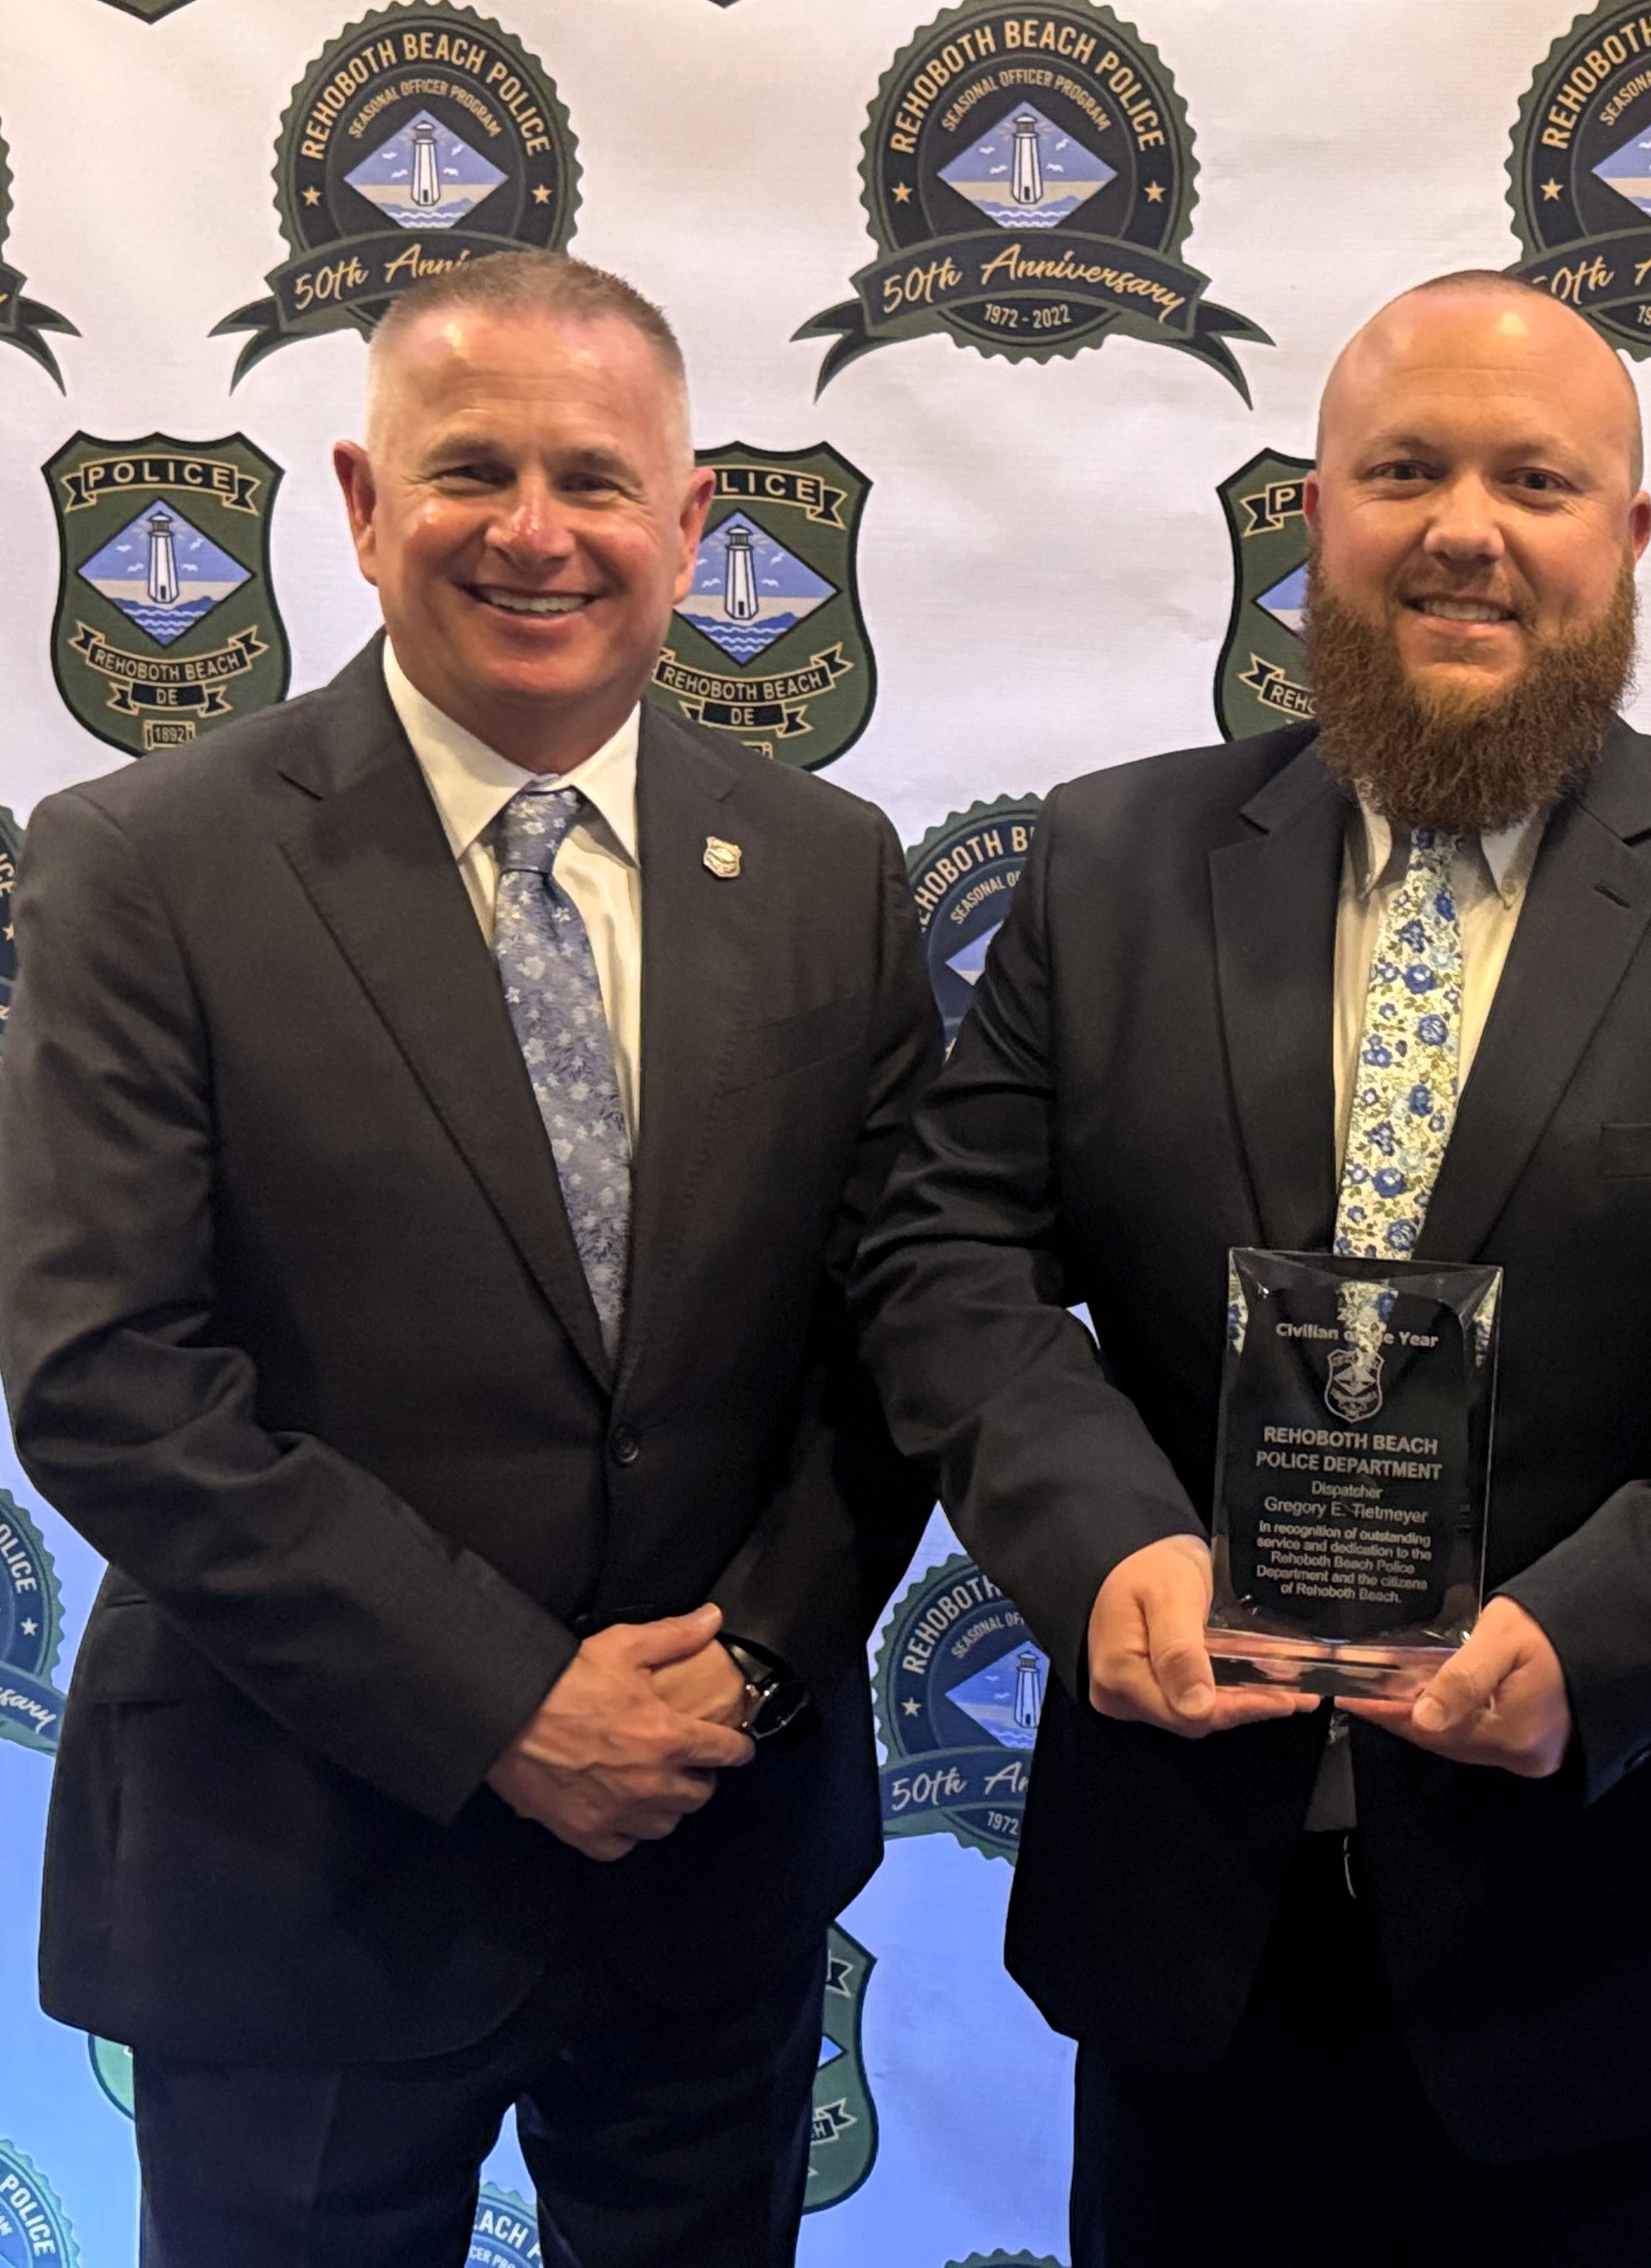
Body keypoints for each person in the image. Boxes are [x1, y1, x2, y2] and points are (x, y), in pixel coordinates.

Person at [852, 270, 1651, 2266]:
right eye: (1402, 469)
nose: (1462, 528)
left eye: (1534, 479)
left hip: (1644, 1947)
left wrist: (1605, 1633)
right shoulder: (1109, 864)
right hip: (1195, 1946)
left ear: (1628, 538)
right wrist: (1101, 1547)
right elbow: (944, 1247)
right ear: (1311, 514)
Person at [0, 251, 939, 2266]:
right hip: (301, 1871)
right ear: (356, 503)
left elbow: (901, 1338)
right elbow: (106, 1375)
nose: (535, 531)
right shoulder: (144, 866)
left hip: (714, 1852)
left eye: (595, 478)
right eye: (471, 469)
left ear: (691, 522)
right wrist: (505, 1701)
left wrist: (750, 1672)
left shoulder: (828, 873)